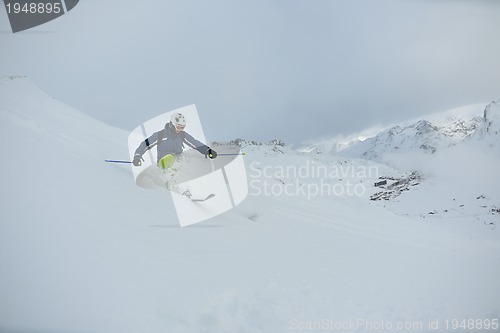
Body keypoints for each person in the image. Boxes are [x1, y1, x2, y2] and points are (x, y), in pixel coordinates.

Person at [132, 112, 217, 195]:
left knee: (189, 161)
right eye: (178, 127)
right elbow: (145, 144)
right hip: (163, 163)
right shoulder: (160, 135)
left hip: (178, 161)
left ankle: (194, 188)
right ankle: (174, 187)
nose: (180, 130)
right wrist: (137, 156)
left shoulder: (182, 135)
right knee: (170, 158)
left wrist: (208, 150)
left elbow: (194, 142)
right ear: (171, 125)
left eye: (182, 128)